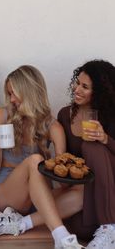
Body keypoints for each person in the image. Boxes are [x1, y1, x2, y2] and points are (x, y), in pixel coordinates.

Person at [0, 65, 84, 249]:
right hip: (8, 193)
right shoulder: (2, 115)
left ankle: (22, 224)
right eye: (9, 94)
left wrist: (68, 170)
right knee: (36, 161)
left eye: (14, 93)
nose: (11, 99)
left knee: (82, 195)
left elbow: (62, 182)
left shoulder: (53, 127)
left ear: (29, 92)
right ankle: (61, 236)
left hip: (39, 197)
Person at [57, 59, 115, 248]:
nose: (77, 89)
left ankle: (109, 227)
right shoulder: (65, 114)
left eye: (85, 87)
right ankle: (107, 230)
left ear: (99, 92)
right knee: (81, 229)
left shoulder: (111, 115)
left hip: (111, 181)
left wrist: (105, 139)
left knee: (92, 146)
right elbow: (65, 158)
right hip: (85, 188)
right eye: (77, 83)